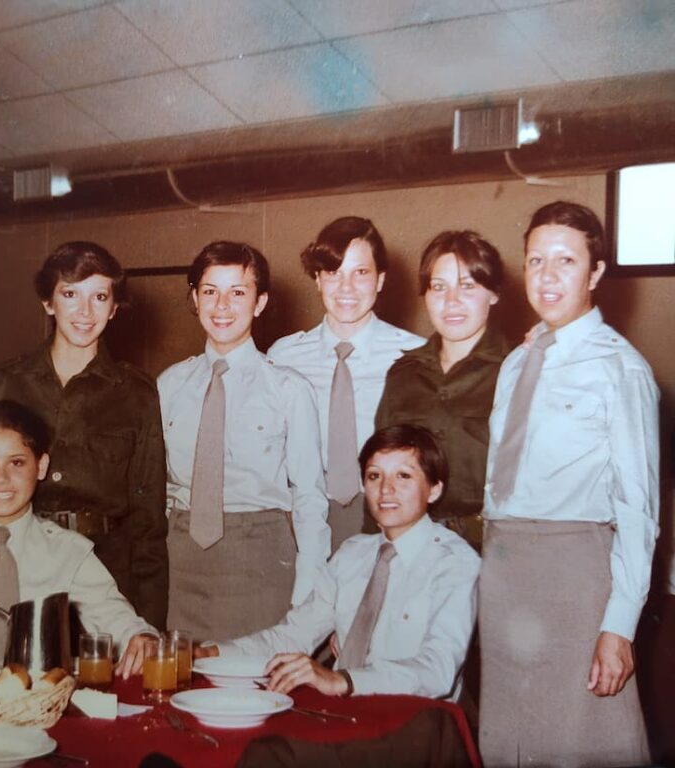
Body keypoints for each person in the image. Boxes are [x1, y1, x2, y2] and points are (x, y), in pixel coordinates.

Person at [479, 201, 658, 767]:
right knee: (508, 742)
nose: (547, 276)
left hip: (574, 577)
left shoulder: (621, 369)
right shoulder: (517, 362)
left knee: (579, 742)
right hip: (504, 572)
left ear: (596, 272)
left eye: (566, 261)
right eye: (536, 261)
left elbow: (638, 509)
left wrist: (619, 627)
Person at [200, 424, 479, 701]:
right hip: (341, 713)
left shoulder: (456, 563)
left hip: (415, 716)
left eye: (403, 476)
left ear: (434, 490)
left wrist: (343, 680)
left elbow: (437, 671)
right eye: (374, 476)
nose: (386, 489)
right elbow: (293, 635)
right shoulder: (352, 554)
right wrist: (210, 653)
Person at [0, 242, 168, 630]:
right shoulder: (3, 386)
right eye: (70, 294)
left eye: (99, 297)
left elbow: (148, 524)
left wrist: (148, 627)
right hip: (18, 567)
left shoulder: (137, 395)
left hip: (106, 578)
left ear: (114, 308)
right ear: (48, 302)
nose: (85, 312)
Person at [0, 400, 156, 674]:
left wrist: (140, 637)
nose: (1, 478)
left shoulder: (69, 552)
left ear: (41, 466)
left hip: (40, 696)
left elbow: (114, 615)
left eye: (17, 463)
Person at [157, 241, 329, 642]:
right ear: (194, 299)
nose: (222, 306)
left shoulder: (288, 389)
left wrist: (307, 589)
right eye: (210, 291)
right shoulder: (169, 384)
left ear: (260, 302)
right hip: (179, 564)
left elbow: (309, 497)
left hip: (260, 562)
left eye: (237, 292)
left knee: (252, 675)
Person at [268, 217, 423, 554]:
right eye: (333, 272)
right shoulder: (283, 356)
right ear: (317, 279)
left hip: (384, 513)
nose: (346, 287)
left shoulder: (414, 355)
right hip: (302, 517)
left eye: (361, 272)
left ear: (380, 279)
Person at [375, 230, 509, 552]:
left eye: (467, 286)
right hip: (412, 546)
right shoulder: (402, 374)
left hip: (491, 549)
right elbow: (380, 473)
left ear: (493, 293)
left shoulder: (516, 371)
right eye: (438, 287)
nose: (451, 301)